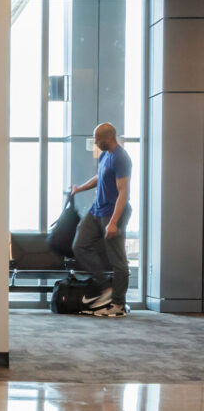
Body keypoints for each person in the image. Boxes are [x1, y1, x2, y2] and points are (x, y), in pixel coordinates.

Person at [71, 122, 132, 318]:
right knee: (79, 245)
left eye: (98, 139)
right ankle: (106, 288)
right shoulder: (106, 155)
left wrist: (113, 222)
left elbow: (123, 193)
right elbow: (100, 177)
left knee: (118, 259)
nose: (96, 143)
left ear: (109, 138)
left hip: (112, 212)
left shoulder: (121, 158)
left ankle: (118, 304)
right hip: (96, 210)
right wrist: (79, 189)